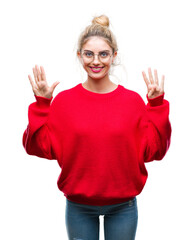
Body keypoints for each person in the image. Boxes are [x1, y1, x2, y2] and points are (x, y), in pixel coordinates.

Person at [23, 15, 171, 240]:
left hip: (123, 206)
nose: (96, 61)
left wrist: (157, 105)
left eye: (103, 54)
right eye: (89, 54)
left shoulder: (132, 102)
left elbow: (155, 151)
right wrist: (42, 105)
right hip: (78, 206)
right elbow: (37, 147)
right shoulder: (64, 101)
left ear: (114, 56)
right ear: (79, 55)